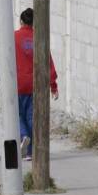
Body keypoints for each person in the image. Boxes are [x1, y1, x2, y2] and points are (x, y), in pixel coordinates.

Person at [14, 8, 58, 162]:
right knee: (31, 116)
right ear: (34, 22)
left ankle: (24, 135)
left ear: (21, 21)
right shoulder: (39, 39)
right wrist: (53, 86)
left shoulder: (13, 37)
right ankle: (31, 152)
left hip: (17, 84)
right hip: (35, 85)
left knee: (16, 114)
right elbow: (48, 63)